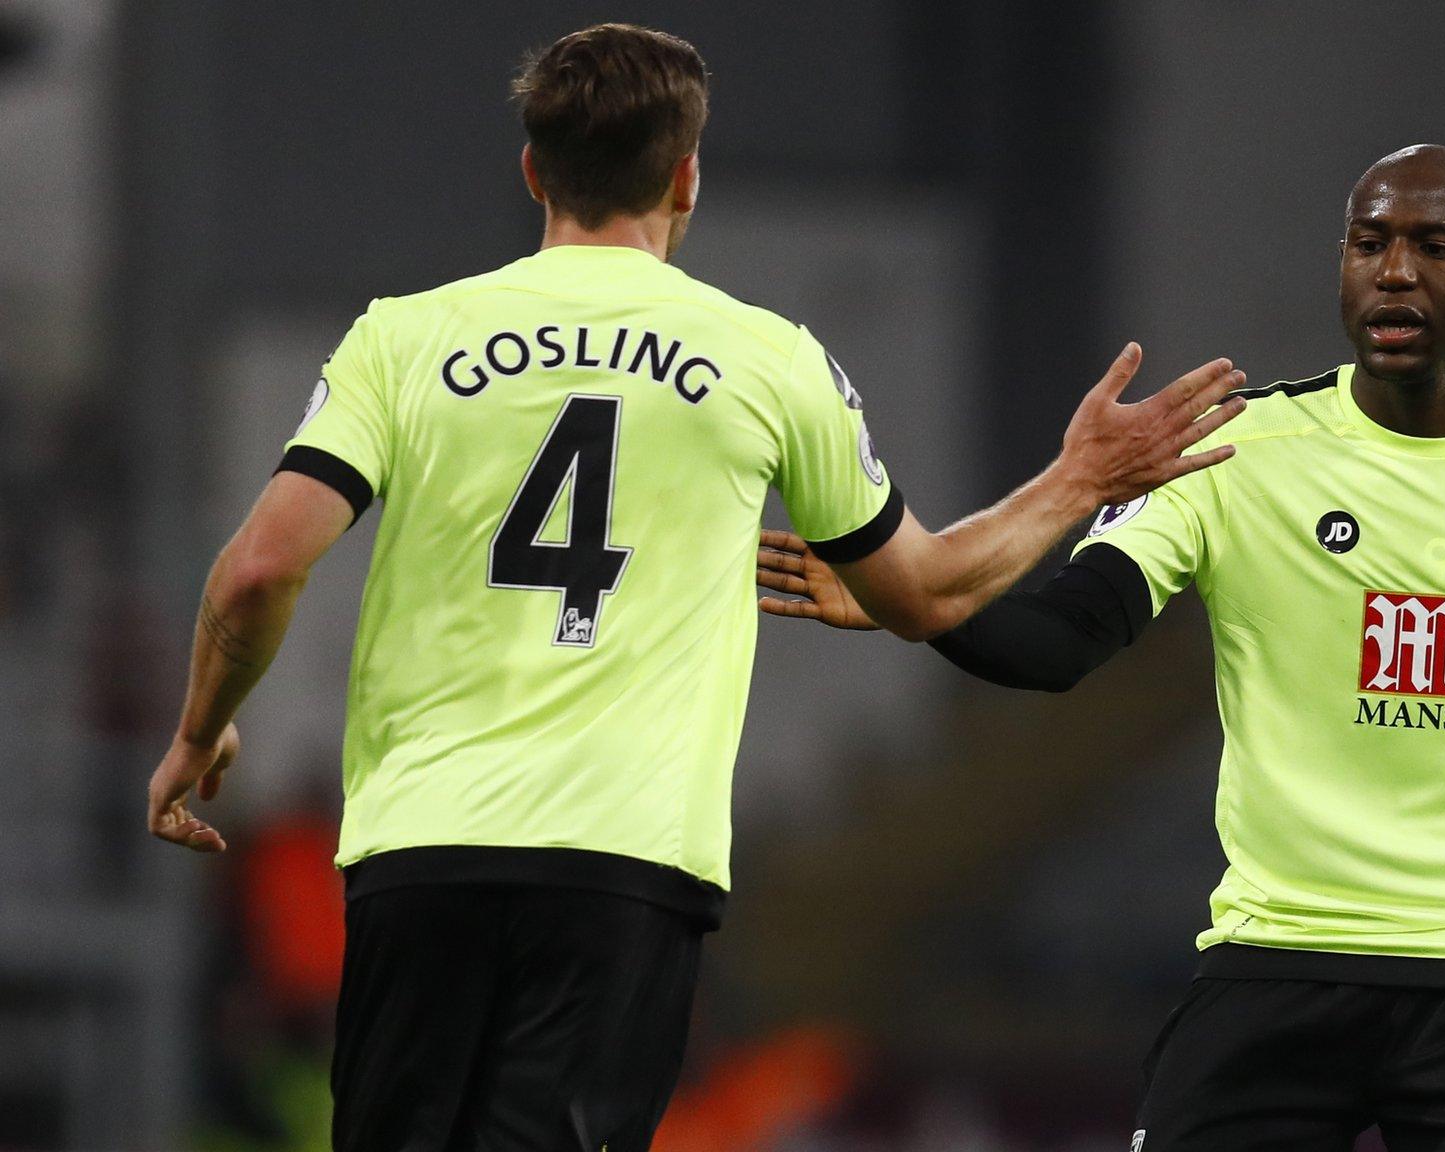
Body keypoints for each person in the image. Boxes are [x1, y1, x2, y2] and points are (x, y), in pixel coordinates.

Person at [143, 23, 1246, 1152]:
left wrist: (201, 728)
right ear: (685, 176)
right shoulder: (769, 360)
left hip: (420, 852)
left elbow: (261, 567)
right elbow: (926, 591)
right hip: (621, 862)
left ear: (533, 170)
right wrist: (1078, 481)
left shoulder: (405, 340)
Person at [757, 144, 1445, 1151]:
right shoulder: (1228, 453)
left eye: (1434, 246)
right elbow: (1056, 643)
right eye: (1366, 242)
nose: (1392, 270)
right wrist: (923, 603)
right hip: (1278, 963)